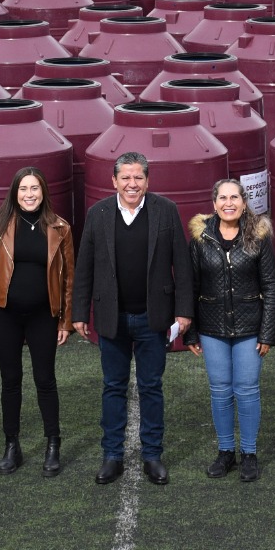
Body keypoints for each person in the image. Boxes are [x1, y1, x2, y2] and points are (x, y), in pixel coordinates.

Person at [72, 152, 194, 487]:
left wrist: (184, 311)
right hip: (112, 318)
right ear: (113, 181)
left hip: (153, 318)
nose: (132, 184)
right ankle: (112, 455)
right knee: (113, 387)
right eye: (125, 177)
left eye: (138, 177)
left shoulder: (165, 211)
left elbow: (181, 266)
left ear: (147, 181)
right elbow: (84, 268)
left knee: (151, 387)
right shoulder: (97, 214)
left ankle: (152, 455)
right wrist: (79, 312)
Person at [0, 168, 74, 477]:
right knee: (10, 380)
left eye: (34, 188)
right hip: (5, 313)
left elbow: (69, 278)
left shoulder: (61, 228)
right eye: (23, 189)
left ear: (44, 192)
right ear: (14, 193)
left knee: (45, 380)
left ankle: (52, 445)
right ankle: (12, 446)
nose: (29, 194)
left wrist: (65, 322)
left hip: (43, 315)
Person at [185, 180, 275, 482]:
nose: (229, 203)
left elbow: (272, 287)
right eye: (223, 198)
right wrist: (191, 332)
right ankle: (226, 452)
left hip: (250, 328)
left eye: (234, 197)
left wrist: (267, 334)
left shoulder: (259, 237)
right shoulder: (200, 240)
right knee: (220, 390)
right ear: (214, 204)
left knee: (247, 390)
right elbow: (191, 287)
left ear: (244, 202)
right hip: (212, 329)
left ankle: (249, 453)